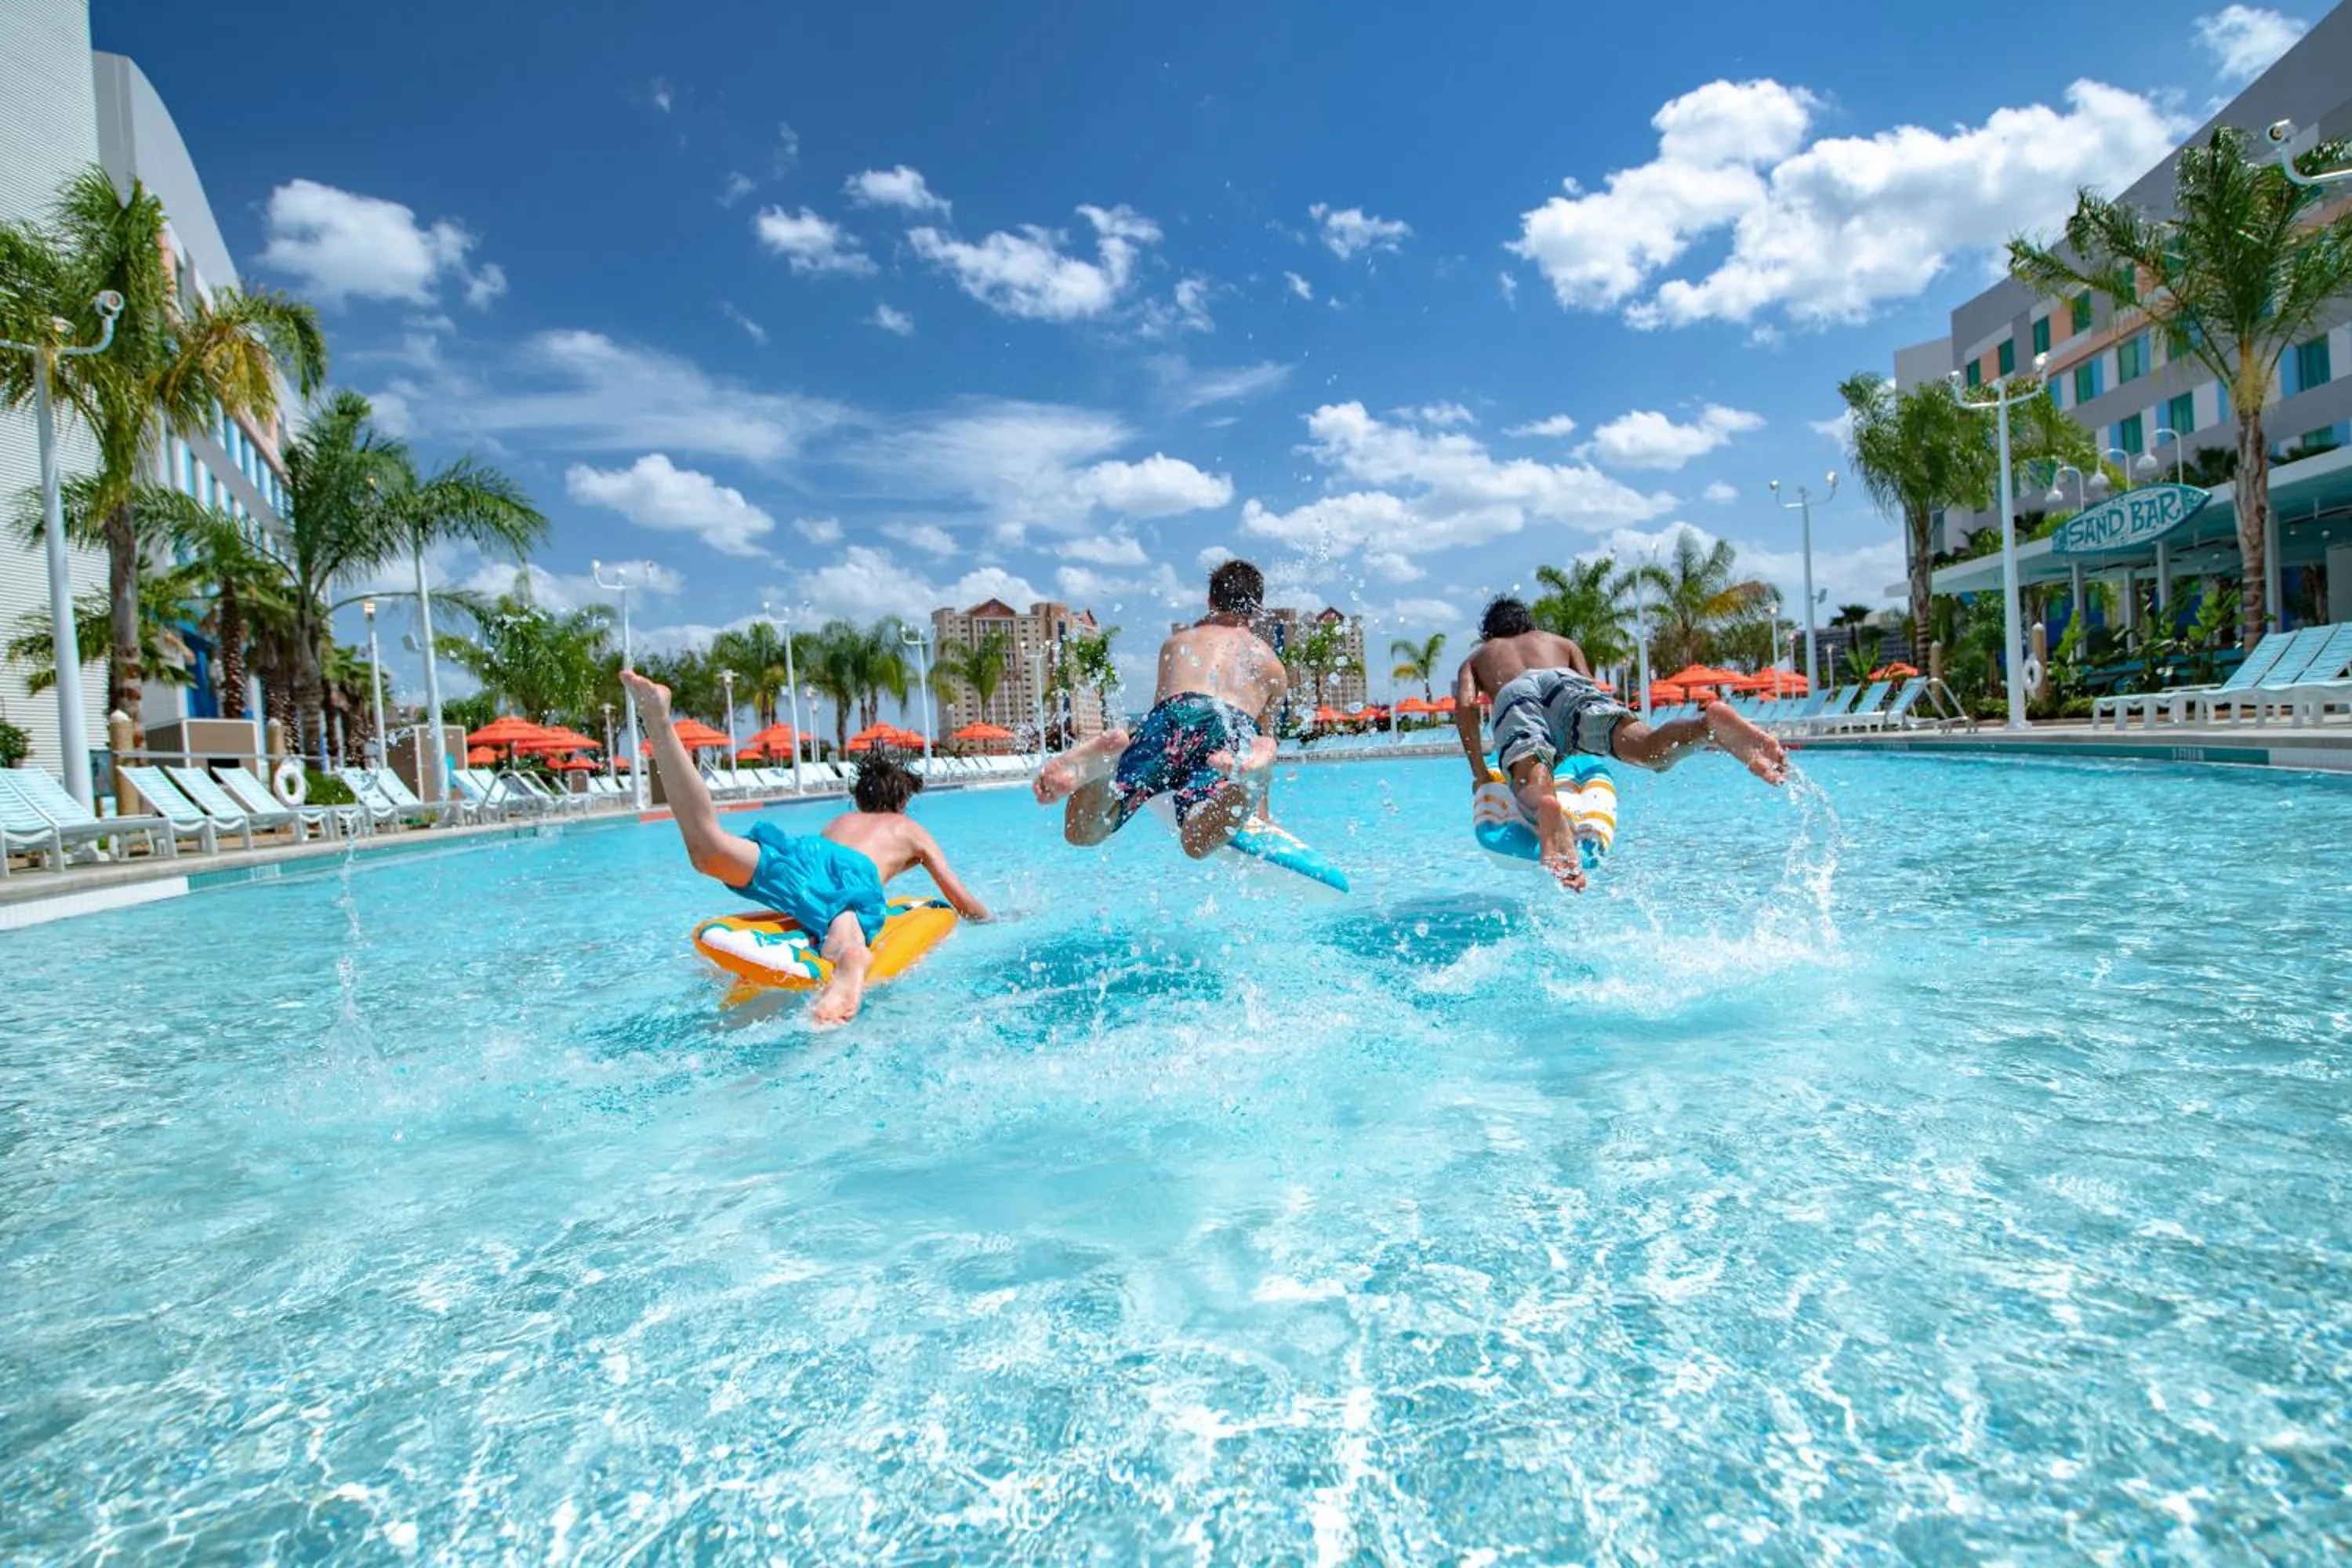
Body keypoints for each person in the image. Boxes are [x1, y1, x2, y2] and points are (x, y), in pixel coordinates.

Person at [620, 668, 990, 1025]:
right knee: (844, 935)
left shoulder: (839, 823)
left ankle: (659, 723)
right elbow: (956, 896)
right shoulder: (907, 828)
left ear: (859, 801)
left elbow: (818, 880)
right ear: (903, 802)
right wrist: (990, 918)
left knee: (709, 851)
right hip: (852, 878)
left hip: (805, 852)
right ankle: (851, 963)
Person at [1453, 597, 1788, 891]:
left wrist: (1482, 773)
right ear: (1530, 625)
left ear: (1489, 633)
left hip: (1514, 694)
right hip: (1566, 681)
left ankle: (1546, 809)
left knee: (1531, 777)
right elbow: (1590, 690)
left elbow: (1466, 707)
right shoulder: (1561, 643)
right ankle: (1707, 726)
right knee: (1648, 749)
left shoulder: (1480, 656)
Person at [1032, 558, 1286, 858]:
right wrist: (1262, 815)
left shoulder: (1178, 642)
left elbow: (1163, 717)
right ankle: (1249, 785)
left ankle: (1102, 770)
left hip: (1173, 713)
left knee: (1082, 833)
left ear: (1210, 602)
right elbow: (1257, 741)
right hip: (1230, 723)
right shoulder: (1272, 665)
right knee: (1196, 842)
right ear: (1257, 609)